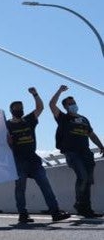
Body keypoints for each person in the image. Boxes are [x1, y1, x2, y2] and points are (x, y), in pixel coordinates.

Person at [6, 87, 71, 223]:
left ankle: (55, 212)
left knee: (45, 185)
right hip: (18, 161)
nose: (20, 109)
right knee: (20, 188)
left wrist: (35, 94)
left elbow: (40, 108)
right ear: (11, 111)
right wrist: (8, 142)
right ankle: (23, 214)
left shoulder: (28, 120)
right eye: (17, 108)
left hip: (33, 160)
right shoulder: (6, 126)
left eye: (21, 107)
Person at [50, 85, 104, 218]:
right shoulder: (63, 118)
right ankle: (79, 204)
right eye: (70, 104)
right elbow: (51, 104)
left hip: (86, 153)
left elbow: (91, 134)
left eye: (73, 103)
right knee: (83, 177)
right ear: (65, 107)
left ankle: (87, 209)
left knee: (88, 180)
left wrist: (101, 146)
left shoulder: (84, 119)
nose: (73, 105)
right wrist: (60, 91)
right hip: (72, 153)